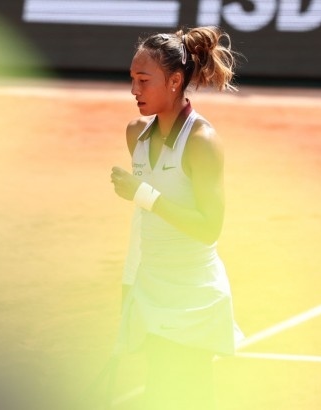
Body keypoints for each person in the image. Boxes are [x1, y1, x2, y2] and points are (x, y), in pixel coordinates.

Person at [110, 26, 244, 409]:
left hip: (193, 297)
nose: (133, 90)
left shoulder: (202, 142)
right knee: (159, 392)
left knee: (188, 395)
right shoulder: (136, 135)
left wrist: (145, 195)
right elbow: (142, 222)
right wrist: (130, 284)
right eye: (132, 79)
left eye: (143, 80)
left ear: (173, 81)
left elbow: (208, 228)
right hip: (152, 288)